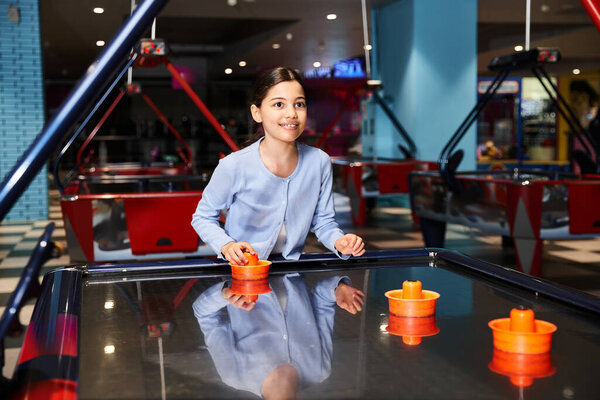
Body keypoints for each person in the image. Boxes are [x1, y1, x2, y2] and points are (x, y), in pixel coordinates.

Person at [191, 67, 365, 265]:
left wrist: (339, 241)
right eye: (279, 104)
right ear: (257, 113)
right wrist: (226, 245)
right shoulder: (233, 165)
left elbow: (324, 222)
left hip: (292, 271)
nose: (291, 113)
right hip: (243, 273)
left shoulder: (319, 162)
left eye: (299, 104)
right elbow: (203, 217)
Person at [192, 273, 365, 399]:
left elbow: (203, 314)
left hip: (242, 254)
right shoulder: (319, 370)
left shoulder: (235, 375)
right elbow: (322, 299)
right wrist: (337, 289)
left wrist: (225, 294)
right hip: (289, 250)